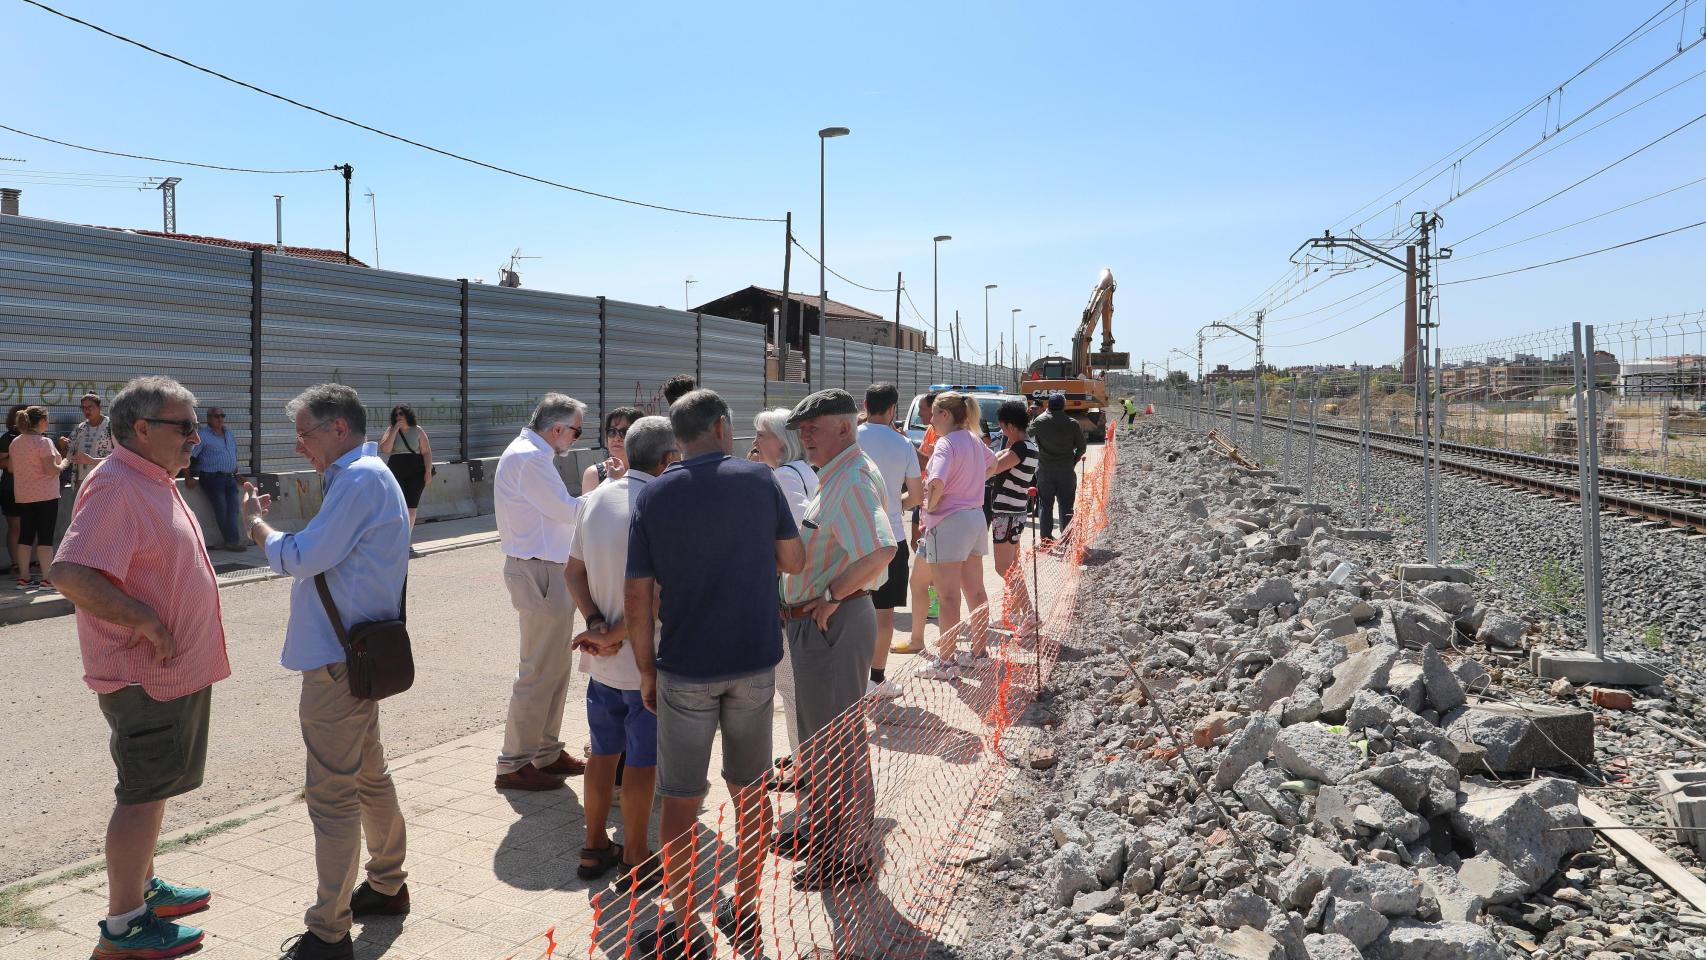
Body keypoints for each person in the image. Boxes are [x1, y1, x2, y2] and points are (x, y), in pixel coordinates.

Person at [52, 377, 229, 960]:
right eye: (185, 427)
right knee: (142, 793)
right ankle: (125, 926)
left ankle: (144, 888)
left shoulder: (151, 477)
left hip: (171, 674)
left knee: (156, 788)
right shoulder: (118, 486)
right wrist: (148, 623)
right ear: (143, 429)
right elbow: (71, 574)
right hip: (145, 675)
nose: (196, 439)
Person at [623, 389, 803, 956]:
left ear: (678, 437)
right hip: (753, 660)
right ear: (723, 427)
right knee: (750, 795)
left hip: (683, 668)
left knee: (679, 798)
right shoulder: (758, 480)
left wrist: (646, 672)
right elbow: (794, 561)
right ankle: (743, 907)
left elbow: (637, 597)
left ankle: (682, 918)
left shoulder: (653, 496)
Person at [241, 384, 411, 960]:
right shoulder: (364, 476)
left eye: (306, 432)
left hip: (339, 668)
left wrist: (258, 530)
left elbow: (303, 557)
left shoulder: (360, 479)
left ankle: (328, 931)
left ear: (340, 429)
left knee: (333, 797)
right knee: (368, 776)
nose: (298, 443)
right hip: (354, 661)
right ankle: (387, 883)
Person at [776, 389, 896, 895]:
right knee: (823, 743)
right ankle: (831, 841)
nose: (805, 437)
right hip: (826, 623)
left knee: (835, 745)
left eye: (814, 428)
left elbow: (883, 548)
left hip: (833, 623)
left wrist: (832, 594)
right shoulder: (842, 472)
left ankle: (849, 855)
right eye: (801, 430)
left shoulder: (849, 478)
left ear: (845, 428)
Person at [565, 416, 677, 890]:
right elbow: (654, 598)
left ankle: (594, 847)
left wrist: (597, 625)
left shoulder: (593, 500)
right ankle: (634, 854)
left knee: (602, 755)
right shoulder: (663, 507)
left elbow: (573, 573)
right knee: (642, 761)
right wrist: (617, 634)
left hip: (604, 663)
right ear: (669, 459)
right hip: (644, 663)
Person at [492, 394, 598, 791]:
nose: (575, 438)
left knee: (554, 668)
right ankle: (514, 763)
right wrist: (608, 492)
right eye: (576, 430)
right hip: (539, 571)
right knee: (538, 671)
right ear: (557, 429)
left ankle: (546, 752)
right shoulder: (531, 459)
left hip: (546, 569)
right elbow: (569, 511)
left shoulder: (531, 454)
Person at [750, 407, 818, 781]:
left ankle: (804, 765)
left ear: (781, 440)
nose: (755, 442)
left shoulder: (783, 478)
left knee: (790, 686)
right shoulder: (801, 472)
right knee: (794, 686)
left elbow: (800, 536)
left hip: (791, 594)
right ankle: (804, 756)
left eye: (761, 435)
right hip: (799, 591)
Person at [917, 392, 995, 677]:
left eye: (934, 415)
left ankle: (946, 661)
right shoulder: (974, 440)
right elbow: (994, 463)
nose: (931, 420)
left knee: (947, 595)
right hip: (975, 517)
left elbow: (936, 481)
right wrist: (971, 486)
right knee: (975, 589)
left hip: (949, 521)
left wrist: (932, 505)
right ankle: (979, 652)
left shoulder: (945, 444)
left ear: (945, 415)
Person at [856, 383, 922, 696]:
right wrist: (895, 505)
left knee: (849, 613)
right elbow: (918, 495)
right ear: (893, 409)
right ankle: (876, 680)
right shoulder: (903, 444)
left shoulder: (850, 438)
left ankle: (849, 679)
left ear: (865, 404)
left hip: (852, 538)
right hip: (890, 538)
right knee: (884, 617)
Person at [10, 406, 68, 590]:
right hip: (46, 495)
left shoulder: (15, 442)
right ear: (42, 421)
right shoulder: (44, 443)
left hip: (23, 495)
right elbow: (51, 470)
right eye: (47, 420)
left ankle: (24, 578)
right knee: (45, 538)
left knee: (25, 536)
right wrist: (66, 461)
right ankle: (47, 579)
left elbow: (11, 468)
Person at [899, 392, 940, 655]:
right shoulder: (929, 431)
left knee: (927, 570)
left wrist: (906, 446)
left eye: (926, 411)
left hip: (932, 504)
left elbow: (929, 462)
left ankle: (933, 602)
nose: (924, 416)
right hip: (923, 497)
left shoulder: (944, 437)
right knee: (917, 544)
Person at [986, 400, 1039, 579]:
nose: (1002, 432)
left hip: (1006, 513)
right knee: (1013, 568)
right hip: (1015, 511)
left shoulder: (1020, 449)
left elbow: (992, 469)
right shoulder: (1030, 447)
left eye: (1002, 427)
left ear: (1010, 425)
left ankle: (1020, 605)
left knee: (1004, 568)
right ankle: (1024, 607)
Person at [1029, 393, 1088, 543]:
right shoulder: (1072, 423)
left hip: (1045, 471)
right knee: (1067, 506)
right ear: (1063, 406)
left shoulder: (1040, 421)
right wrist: (1073, 462)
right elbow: (1082, 447)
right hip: (1066, 471)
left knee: (1045, 505)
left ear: (1048, 405)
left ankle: (1046, 538)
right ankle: (1067, 538)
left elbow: (1026, 436)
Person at [187, 408, 245, 551]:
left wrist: (237, 474)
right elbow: (189, 456)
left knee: (234, 509)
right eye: (216, 416)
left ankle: (233, 540)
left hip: (229, 477)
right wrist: (189, 477)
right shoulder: (203, 436)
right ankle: (232, 541)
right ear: (208, 418)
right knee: (222, 508)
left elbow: (232, 455)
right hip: (212, 477)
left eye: (222, 415)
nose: (220, 419)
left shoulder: (229, 434)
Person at [378, 405, 432, 532]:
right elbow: (385, 449)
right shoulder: (391, 430)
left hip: (416, 471)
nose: (398, 417)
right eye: (396, 415)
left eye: (401, 414)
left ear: (407, 415)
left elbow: (426, 452)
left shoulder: (417, 430)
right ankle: (399, 535)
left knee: (411, 507)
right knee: (398, 505)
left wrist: (428, 471)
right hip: (396, 469)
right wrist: (395, 429)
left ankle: (407, 537)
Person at [581, 406, 641, 495]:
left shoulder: (650, 470)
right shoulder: (594, 473)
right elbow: (588, 507)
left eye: (624, 432)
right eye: (612, 431)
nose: (616, 438)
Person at [64, 392, 115, 488]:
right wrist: (63, 445)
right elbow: (69, 453)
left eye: (90, 407)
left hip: (104, 479)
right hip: (82, 481)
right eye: (83, 408)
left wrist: (92, 461)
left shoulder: (112, 427)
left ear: (100, 407)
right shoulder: (80, 428)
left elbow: (119, 457)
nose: (86, 410)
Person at [0, 405, 27, 577]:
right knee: (16, 526)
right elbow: (2, 463)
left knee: (32, 527)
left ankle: (32, 562)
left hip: (33, 489)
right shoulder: (7, 437)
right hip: (11, 488)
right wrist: (22, 465)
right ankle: (16, 564)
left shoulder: (39, 437)